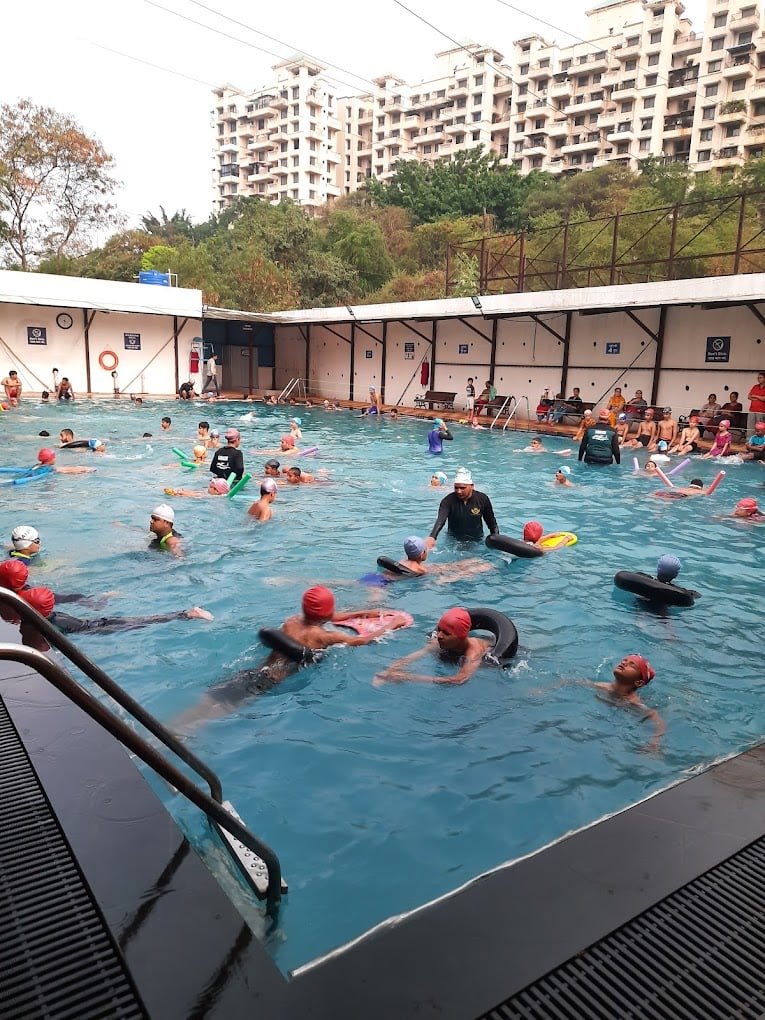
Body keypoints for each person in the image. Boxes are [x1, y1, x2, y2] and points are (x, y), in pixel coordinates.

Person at [170, 586, 409, 731]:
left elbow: (331, 615)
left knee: (202, 705)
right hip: (266, 684)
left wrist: (364, 612)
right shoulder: (324, 637)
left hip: (250, 672)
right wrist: (392, 623)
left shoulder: (292, 620)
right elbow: (362, 641)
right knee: (212, 715)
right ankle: (179, 738)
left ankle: (164, 733)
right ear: (328, 613)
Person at [20, 586, 213, 634]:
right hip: (99, 623)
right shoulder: (52, 617)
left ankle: (188, 614)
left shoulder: (52, 622)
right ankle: (186, 614)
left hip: (101, 628)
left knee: (144, 622)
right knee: (143, 620)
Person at [374, 607, 491, 686]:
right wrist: (388, 672)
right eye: (439, 630)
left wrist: (409, 677)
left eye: (446, 633)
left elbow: (460, 679)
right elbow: (413, 657)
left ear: (460, 636)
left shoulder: (473, 652)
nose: (439, 636)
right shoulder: (439, 642)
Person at [581, 654, 665, 752]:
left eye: (631, 664)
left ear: (639, 682)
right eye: (624, 660)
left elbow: (660, 724)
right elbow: (576, 682)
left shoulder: (634, 702)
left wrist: (654, 743)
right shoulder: (602, 687)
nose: (624, 663)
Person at [425, 467, 500, 547]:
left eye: (462, 488)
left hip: (477, 541)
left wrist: (496, 540)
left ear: (472, 486)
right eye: (456, 488)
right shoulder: (447, 501)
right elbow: (441, 520)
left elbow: (491, 523)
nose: (459, 491)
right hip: (454, 541)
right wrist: (432, 537)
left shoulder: (482, 499)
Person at [164, 478, 230, 498]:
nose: (208, 487)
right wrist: (187, 491)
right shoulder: (213, 493)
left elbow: (196, 495)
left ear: (217, 491)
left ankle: (178, 492)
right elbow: (198, 493)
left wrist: (181, 493)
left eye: (210, 487)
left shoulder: (215, 497)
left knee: (197, 494)